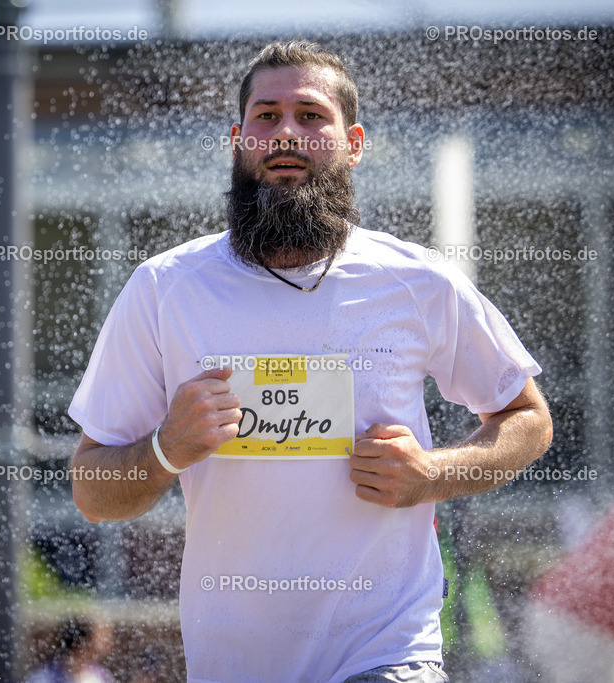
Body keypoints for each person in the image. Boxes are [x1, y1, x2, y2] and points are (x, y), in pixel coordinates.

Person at [68, 40, 552, 682]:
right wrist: (163, 449)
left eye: (311, 116)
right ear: (239, 140)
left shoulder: (416, 280)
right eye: (266, 117)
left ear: (353, 143)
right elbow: (94, 494)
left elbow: (527, 419)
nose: (286, 133)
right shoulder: (165, 288)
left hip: (386, 651)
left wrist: (434, 473)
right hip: (233, 664)